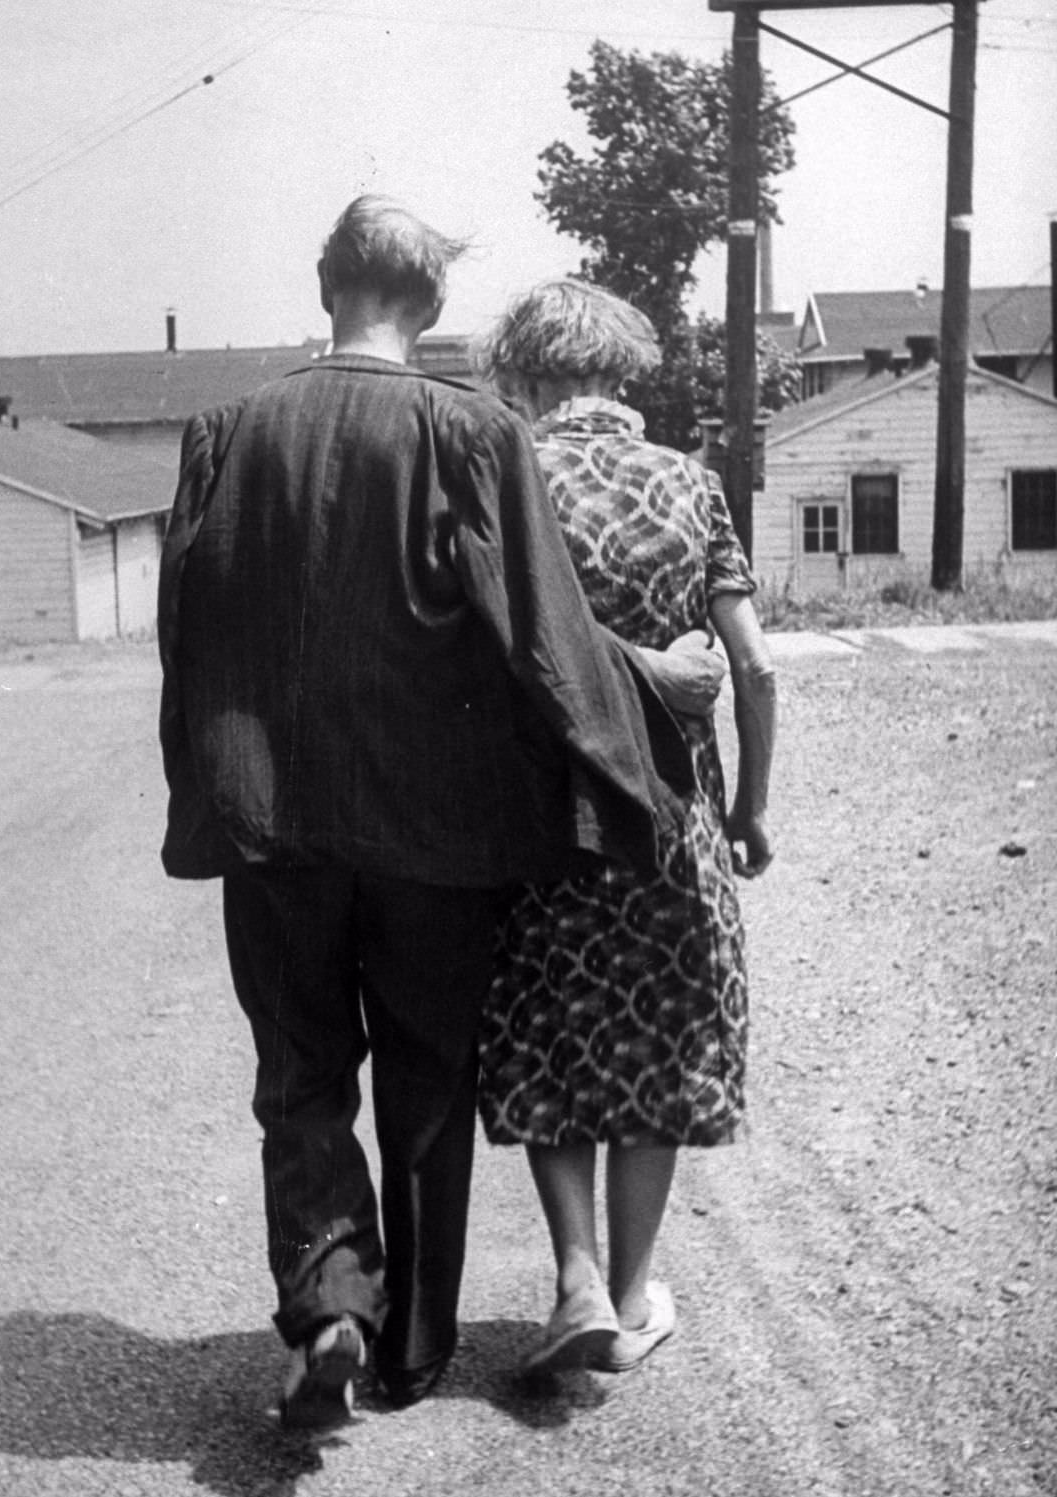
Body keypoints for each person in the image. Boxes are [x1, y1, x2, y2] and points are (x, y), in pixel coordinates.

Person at [157, 200, 712, 1428]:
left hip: (274, 819)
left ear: (324, 285)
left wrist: (204, 794)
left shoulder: (225, 434)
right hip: (436, 835)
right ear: (435, 305)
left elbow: (184, 639)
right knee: (425, 1077)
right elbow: (542, 634)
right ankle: (409, 1351)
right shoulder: (471, 433)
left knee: (301, 1071)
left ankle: (328, 1304)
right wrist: (642, 747)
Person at [473, 279, 776, 1378]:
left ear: (527, 371)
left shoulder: (504, 483)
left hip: (541, 818)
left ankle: (576, 1280)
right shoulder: (693, 486)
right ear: (620, 370)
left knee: (554, 1036)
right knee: (656, 1044)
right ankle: (636, 1297)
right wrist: (749, 811)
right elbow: (753, 665)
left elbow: (490, 654)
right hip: (669, 821)